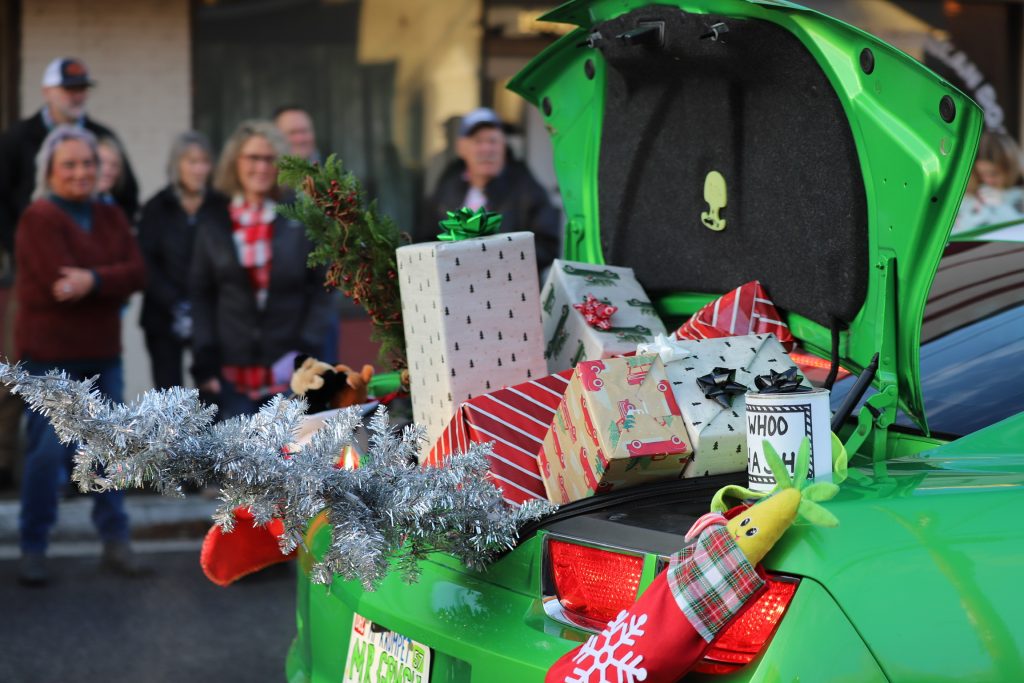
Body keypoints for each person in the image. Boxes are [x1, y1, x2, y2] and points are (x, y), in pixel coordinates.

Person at [14, 125, 147, 585]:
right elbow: (55, 284)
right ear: (50, 171)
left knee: (107, 454)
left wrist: (92, 281)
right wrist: (109, 279)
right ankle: (33, 546)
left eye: (87, 163)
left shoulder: (109, 217)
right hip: (48, 359)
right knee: (47, 457)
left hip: (102, 356)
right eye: (68, 164)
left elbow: (137, 272)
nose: (80, 172)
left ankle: (116, 541)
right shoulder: (39, 217)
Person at [190, 120, 333, 419]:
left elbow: (323, 288)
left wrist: (307, 349)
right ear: (235, 163)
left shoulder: (301, 217)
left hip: (290, 373)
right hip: (230, 377)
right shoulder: (214, 221)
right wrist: (204, 361)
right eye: (252, 158)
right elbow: (201, 295)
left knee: (291, 460)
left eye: (270, 159)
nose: (261, 167)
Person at [0, 57, 139, 252]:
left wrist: (112, 245)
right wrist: (17, 245)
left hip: (93, 254)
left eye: (82, 89)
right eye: (69, 90)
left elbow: (127, 194)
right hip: (34, 250)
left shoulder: (102, 136)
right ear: (47, 92)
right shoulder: (17, 137)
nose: (77, 96)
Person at [419, 107, 561, 272]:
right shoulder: (447, 186)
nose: (486, 149)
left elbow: (548, 246)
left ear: (503, 147)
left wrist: (496, 260)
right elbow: (425, 239)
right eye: (478, 141)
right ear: (461, 148)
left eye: (493, 141)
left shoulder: (526, 187)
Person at [137, 131, 216, 389]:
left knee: (212, 391)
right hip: (163, 314)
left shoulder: (218, 205)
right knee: (169, 396)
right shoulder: (157, 207)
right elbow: (145, 262)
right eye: (191, 162)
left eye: (204, 161)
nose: (198, 169)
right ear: (176, 165)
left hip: (210, 312)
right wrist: (176, 302)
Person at [952, 131, 1024, 235]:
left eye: (993, 174)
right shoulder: (967, 197)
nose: (987, 180)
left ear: (1010, 169)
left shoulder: (1018, 195)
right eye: (980, 174)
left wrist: (1000, 205)